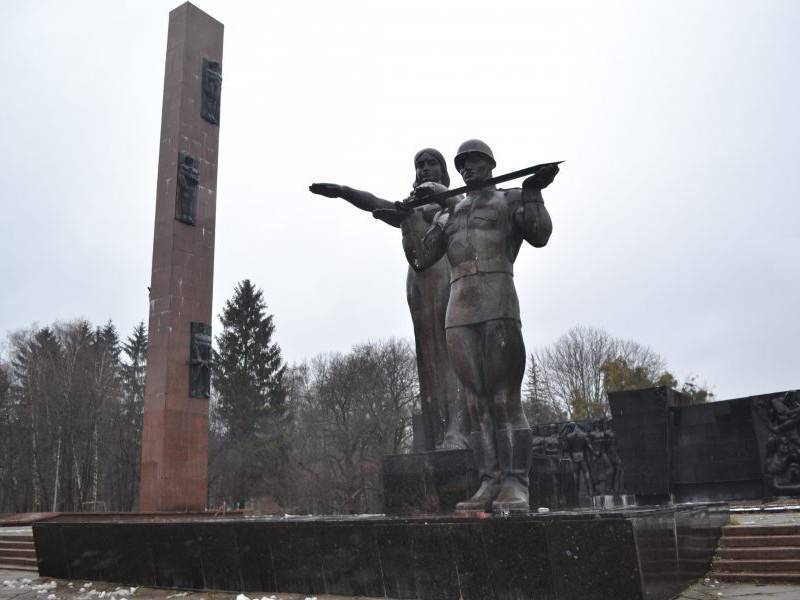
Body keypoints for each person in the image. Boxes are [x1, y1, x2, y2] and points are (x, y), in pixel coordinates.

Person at [401, 139, 558, 512]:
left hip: (498, 303)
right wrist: (408, 219)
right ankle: (489, 481)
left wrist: (534, 193)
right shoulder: (447, 214)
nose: (467, 169)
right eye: (462, 165)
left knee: (505, 401)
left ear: (490, 164)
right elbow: (422, 259)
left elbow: (540, 235)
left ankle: (516, 481)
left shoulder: (508, 200)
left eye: (474, 162)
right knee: (476, 404)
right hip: (459, 313)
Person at [309, 149, 469, 450]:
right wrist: (344, 192)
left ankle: (459, 429)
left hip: (447, 274)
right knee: (428, 357)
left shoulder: (455, 201)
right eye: (419, 165)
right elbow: (374, 202)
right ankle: (438, 431)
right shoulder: (412, 206)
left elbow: (465, 209)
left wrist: (441, 193)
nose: (424, 168)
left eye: (431, 163)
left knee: (452, 351)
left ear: (443, 170)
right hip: (420, 283)